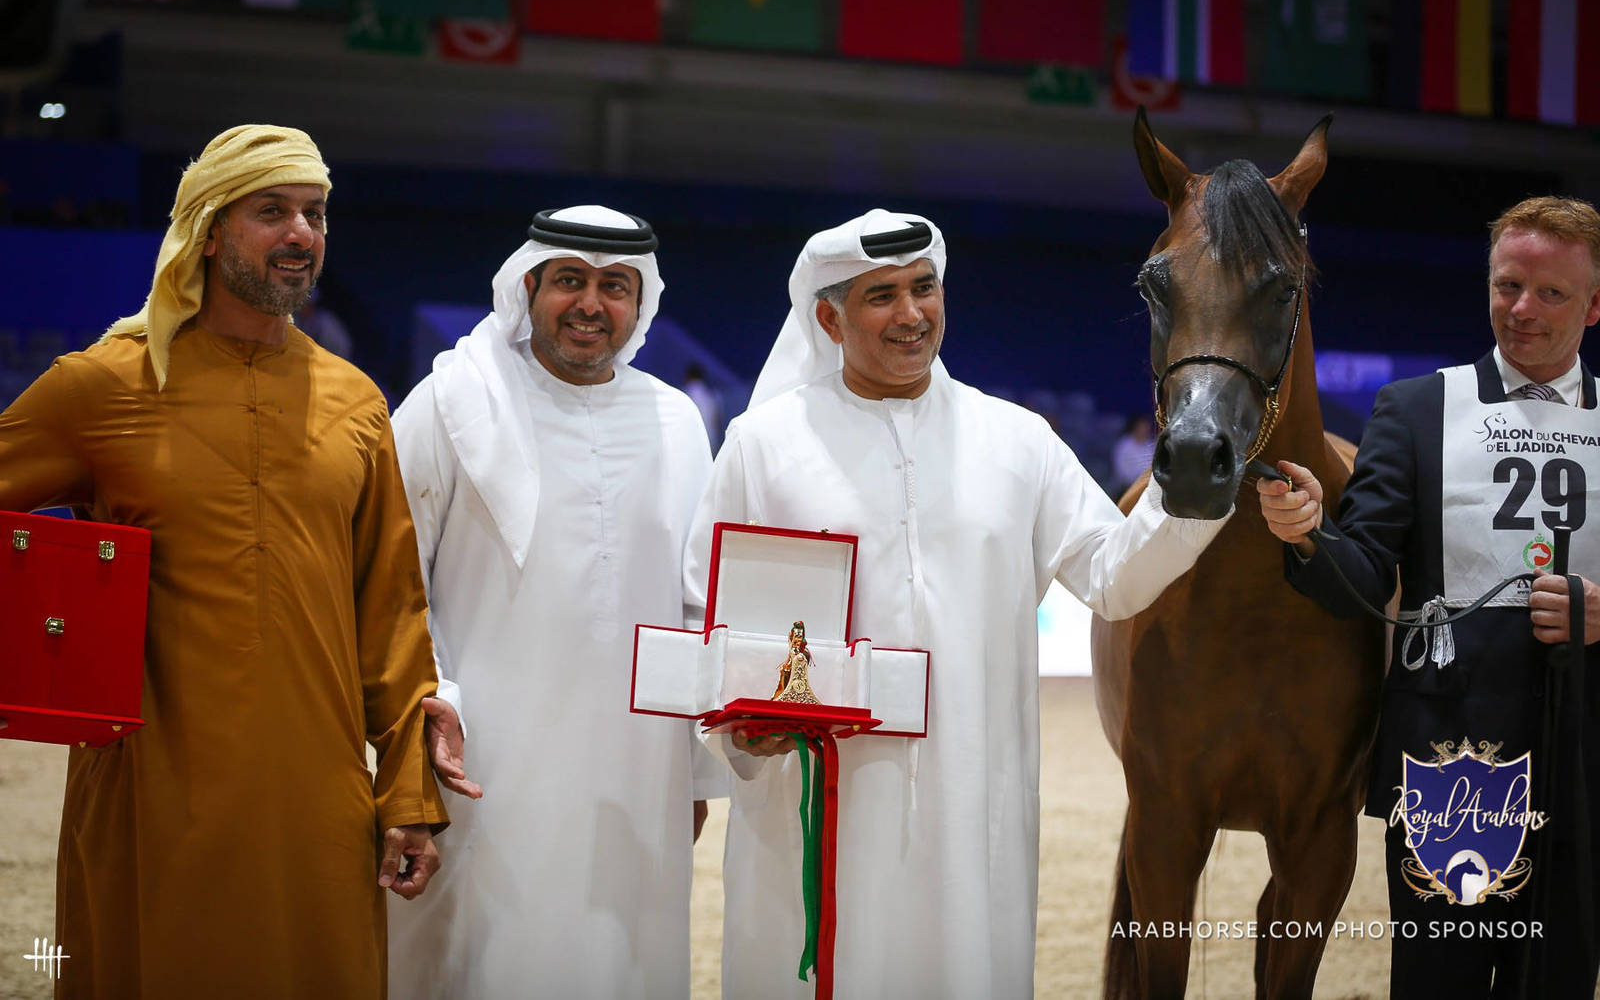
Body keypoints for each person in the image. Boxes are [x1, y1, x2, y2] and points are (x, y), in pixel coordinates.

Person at [683, 209, 1229, 998]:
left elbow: (1113, 574)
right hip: (815, 811)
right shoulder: (764, 444)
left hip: (975, 809)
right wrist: (740, 727)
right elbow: (712, 611)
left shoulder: (1018, 442)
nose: (911, 314)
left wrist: (1198, 496)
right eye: (882, 296)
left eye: (924, 287)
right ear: (829, 318)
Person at [0, 124, 448, 998]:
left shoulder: (354, 400)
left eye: (315, 214)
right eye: (271, 210)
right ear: (208, 230)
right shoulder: (103, 385)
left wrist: (407, 796)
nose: (301, 234)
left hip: (315, 799)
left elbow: (391, 613)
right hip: (149, 792)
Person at [1258, 195, 1600, 997]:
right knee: (1435, 982)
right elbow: (1367, 575)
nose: (1523, 309)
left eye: (1552, 293)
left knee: (1558, 978)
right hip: (1452, 761)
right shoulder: (1415, 409)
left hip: (1588, 752)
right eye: (1508, 284)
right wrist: (1309, 532)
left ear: (1594, 303)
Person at [385, 205, 721, 998]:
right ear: (528, 285)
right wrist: (431, 712)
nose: (590, 303)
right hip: (479, 763)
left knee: (621, 957)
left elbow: (694, 603)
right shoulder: (450, 402)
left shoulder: (676, 421)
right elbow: (393, 585)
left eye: (615, 286)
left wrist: (696, 775)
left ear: (642, 304)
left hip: (636, 778)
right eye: (569, 280)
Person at [1111, 412, 1156, 492]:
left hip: (1147, 487)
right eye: (1142, 426)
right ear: (1135, 427)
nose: (1145, 429)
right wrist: (1138, 481)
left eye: (1146, 426)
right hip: (1126, 488)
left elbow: (1153, 467)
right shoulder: (1124, 444)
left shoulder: (1151, 445)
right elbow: (1121, 470)